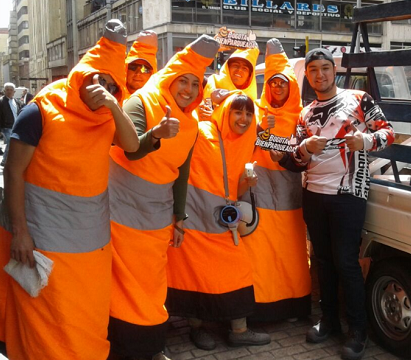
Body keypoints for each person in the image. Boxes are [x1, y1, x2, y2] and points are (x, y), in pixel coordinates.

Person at [0, 19, 139, 359]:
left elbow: (132, 145)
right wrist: (20, 233)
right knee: (44, 326)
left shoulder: (107, 116)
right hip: (40, 241)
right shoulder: (41, 109)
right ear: (82, 74)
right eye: (96, 77)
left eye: (110, 83)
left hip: (88, 249)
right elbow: (13, 171)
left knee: (83, 322)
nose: (100, 87)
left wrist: (113, 104)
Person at [274, 48, 395, 360]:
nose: (320, 75)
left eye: (325, 68)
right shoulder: (304, 113)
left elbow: (388, 132)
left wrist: (365, 142)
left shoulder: (359, 99)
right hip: (313, 195)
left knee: (346, 263)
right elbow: (294, 160)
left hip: (348, 194)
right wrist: (302, 149)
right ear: (309, 74)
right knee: (323, 263)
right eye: (313, 70)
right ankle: (329, 321)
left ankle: (358, 331)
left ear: (334, 71)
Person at [107, 34, 219, 360]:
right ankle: (124, 348)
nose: (187, 89)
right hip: (120, 213)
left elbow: (181, 171)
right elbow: (129, 151)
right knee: (121, 284)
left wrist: (179, 216)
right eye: (182, 81)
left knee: (153, 283)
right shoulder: (139, 102)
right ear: (169, 80)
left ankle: (151, 345)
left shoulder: (193, 123)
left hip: (156, 216)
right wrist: (155, 134)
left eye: (195, 84)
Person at [166, 91, 271, 350]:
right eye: (238, 111)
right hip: (194, 220)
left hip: (224, 223)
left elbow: (230, 184)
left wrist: (245, 184)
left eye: (248, 113)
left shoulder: (245, 140)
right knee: (192, 274)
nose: (244, 118)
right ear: (225, 112)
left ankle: (239, 330)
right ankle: (198, 329)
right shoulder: (201, 131)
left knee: (237, 270)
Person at [242, 38, 311, 322]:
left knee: (292, 256)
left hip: (290, 200)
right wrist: (259, 129)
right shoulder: (256, 112)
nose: (277, 87)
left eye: (282, 82)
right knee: (261, 257)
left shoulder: (302, 117)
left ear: (291, 85)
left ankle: (295, 306)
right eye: (272, 82)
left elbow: (303, 155)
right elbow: (242, 145)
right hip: (260, 199)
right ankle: (262, 310)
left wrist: (271, 142)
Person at [198, 47, 259, 122]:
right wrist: (212, 49)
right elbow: (186, 68)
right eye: (235, 65)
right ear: (227, 68)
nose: (239, 70)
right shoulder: (207, 83)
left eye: (244, 68)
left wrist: (215, 118)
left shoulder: (252, 104)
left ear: (250, 77)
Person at [124, 30, 159, 97]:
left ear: (152, 73)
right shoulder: (112, 95)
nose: (138, 73)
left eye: (145, 69)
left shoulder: (159, 102)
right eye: (133, 67)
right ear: (126, 68)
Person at [0, 82, 21, 166]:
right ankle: (5, 160)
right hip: (6, 127)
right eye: (7, 90)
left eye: (11, 90)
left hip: (16, 126)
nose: (9, 91)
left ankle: (10, 159)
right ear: (4, 91)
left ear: (14, 91)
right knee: (12, 142)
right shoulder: (0, 101)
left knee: (14, 144)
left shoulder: (16, 101)